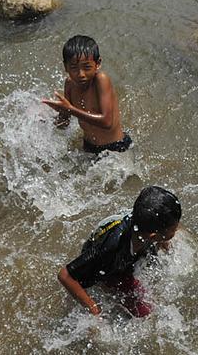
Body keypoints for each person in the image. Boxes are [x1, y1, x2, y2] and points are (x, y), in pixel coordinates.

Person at [57, 186, 181, 318]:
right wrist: (94, 311)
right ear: (153, 236)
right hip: (110, 266)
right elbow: (65, 275)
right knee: (146, 312)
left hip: (133, 246)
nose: (177, 229)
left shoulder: (143, 223)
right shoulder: (110, 248)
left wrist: (164, 241)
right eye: (174, 229)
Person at [41, 35, 129, 154]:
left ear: (98, 64)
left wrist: (70, 109)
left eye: (87, 67)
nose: (81, 74)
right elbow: (65, 122)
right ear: (66, 67)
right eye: (74, 68)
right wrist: (45, 122)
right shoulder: (69, 84)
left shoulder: (101, 79)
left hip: (116, 147)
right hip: (88, 147)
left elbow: (107, 122)